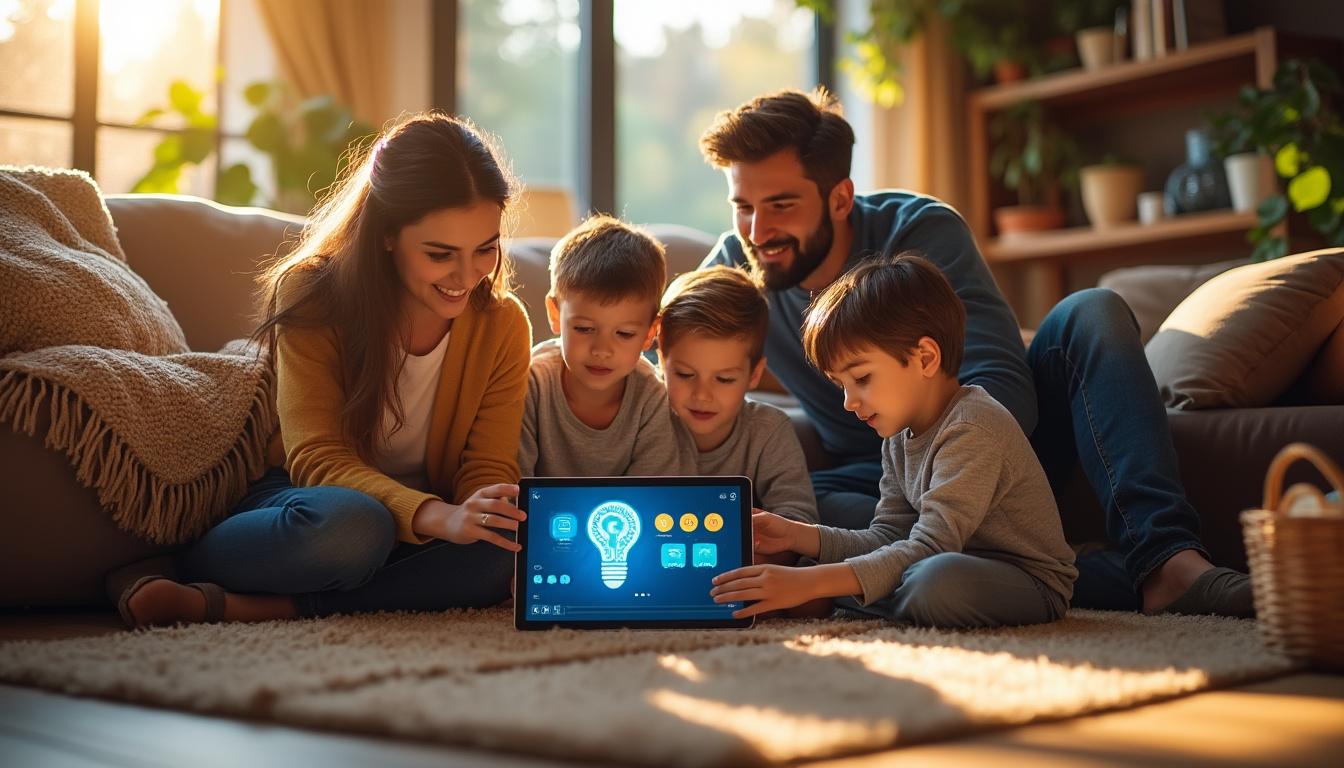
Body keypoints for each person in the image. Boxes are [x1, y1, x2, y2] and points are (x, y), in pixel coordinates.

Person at [697, 87, 1252, 617]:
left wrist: (953, 486)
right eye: (741, 206)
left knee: (1095, 311)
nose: (757, 230)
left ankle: (1167, 561)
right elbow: (664, 374)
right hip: (882, 476)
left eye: (781, 204)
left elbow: (1000, 386)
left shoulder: (919, 230)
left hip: (1000, 442)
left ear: (840, 198)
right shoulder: (736, 270)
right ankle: (1030, 576)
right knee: (803, 502)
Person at [109, 112, 532, 627]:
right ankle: (185, 566)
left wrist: (481, 516)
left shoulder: (503, 323)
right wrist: (437, 516)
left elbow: (487, 468)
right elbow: (316, 458)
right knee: (355, 527)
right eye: (441, 254)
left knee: (500, 554)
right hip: (307, 504)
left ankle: (251, 606)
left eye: (485, 249)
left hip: (429, 521)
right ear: (386, 235)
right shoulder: (315, 294)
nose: (467, 276)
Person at [711, 254, 1076, 626]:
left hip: (1026, 581)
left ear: (925, 358)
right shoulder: (898, 435)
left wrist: (810, 583)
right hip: (939, 560)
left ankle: (868, 596)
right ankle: (868, 594)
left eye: (862, 379)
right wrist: (798, 536)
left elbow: (931, 546)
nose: (849, 402)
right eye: (842, 386)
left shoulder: (973, 426)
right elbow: (888, 534)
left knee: (930, 580)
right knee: (830, 568)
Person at [518, 215, 691, 478]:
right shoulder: (531, 384)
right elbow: (511, 487)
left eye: (624, 333)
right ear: (555, 314)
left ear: (649, 333)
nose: (601, 350)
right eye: (584, 329)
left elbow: (653, 493)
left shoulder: (651, 398)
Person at [658, 265, 817, 527]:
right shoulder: (645, 418)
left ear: (754, 375)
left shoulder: (768, 431)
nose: (702, 395)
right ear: (662, 361)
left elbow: (799, 521)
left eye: (724, 379)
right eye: (685, 374)